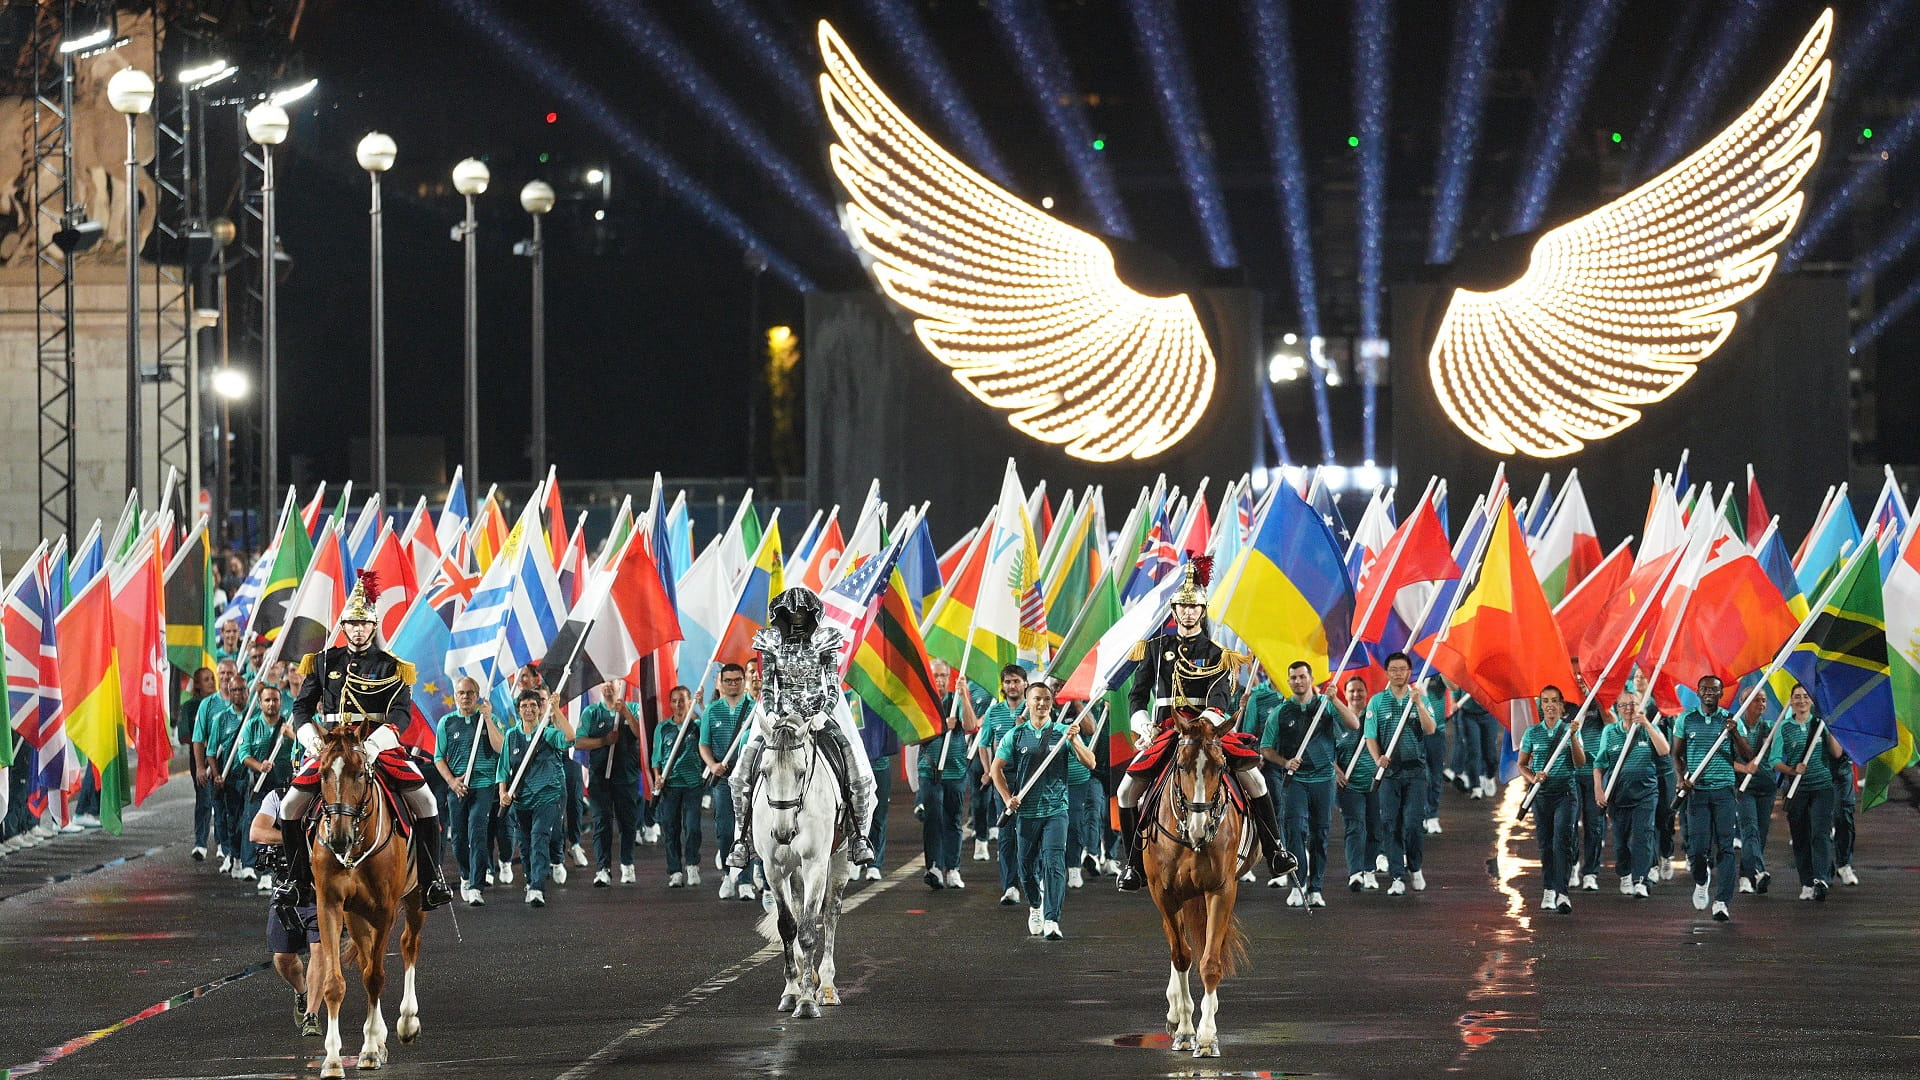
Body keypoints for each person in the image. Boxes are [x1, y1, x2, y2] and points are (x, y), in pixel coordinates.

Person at [273, 574, 455, 928]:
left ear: (373, 626)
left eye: (364, 624)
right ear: (343, 625)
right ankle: (295, 879)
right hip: (329, 748)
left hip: (376, 747)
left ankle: (432, 880)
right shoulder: (323, 662)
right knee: (290, 805)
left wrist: (376, 743)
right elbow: (301, 708)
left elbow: (401, 713)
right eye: (352, 624)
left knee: (428, 802)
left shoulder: (392, 666)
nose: (358, 630)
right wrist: (310, 737)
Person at [1114, 557, 1293, 892]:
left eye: (1193, 608)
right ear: (1174, 609)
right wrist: (1143, 725)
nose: (1187, 613)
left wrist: (1203, 727)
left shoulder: (1217, 653)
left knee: (1254, 778)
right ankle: (1132, 864)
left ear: (1202, 611)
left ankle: (1274, 850)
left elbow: (1221, 698)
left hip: (1208, 732)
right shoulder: (1155, 649)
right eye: (1182, 607)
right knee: (1126, 791)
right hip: (1166, 731)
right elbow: (1137, 697)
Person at [727, 588, 879, 873]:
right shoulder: (771, 642)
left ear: (811, 614)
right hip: (779, 717)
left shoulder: (825, 641)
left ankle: (859, 837)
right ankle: (743, 839)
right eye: (792, 612)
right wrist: (771, 712)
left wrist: (823, 712)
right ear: (782, 614)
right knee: (739, 776)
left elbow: (832, 685)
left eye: (802, 612)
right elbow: (769, 685)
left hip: (817, 716)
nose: (797, 616)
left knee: (858, 773)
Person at [990, 682, 1096, 941]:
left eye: (1047, 699)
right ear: (1028, 702)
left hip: (1056, 809)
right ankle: (1035, 905)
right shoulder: (1015, 735)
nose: (1042, 704)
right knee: (1026, 868)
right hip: (1027, 812)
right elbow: (996, 769)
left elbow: (1090, 762)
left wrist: (1074, 739)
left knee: (1054, 862)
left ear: (1052, 703)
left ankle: (1052, 919)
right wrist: (1007, 798)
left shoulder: (1062, 732)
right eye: (1037, 699)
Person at [1263, 661, 1357, 907]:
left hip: (1324, 780)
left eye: (1302, 676)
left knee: (1320, 834)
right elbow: (1265, 748)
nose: (1298, 681)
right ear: (1289, 681)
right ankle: (1297, 885)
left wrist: (1335, 699)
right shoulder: (1281, 712)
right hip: (1295, 781)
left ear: (1311, 679)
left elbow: (1354, 724)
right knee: (1295, 832)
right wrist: (1285, 763)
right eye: (1293, 677)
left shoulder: (1325, 707)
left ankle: (1316, 888)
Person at [1672, 674, 1754, 922]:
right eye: (1704, 689)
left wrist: (1734, 734)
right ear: (1698, 692)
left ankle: (1722, 902)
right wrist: (1680, 778)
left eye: (1714, 690)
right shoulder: (1687, 719)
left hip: (1724, 790)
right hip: (1697, 791)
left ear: (1721, 694)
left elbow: (1747, 755)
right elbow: (1676, 754)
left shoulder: (1731, 720)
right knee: (1697, 849)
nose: (1709, 693)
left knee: (1726, 846)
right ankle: (1701, 879)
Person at [249, 788, 321, 1037]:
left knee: (319, 950)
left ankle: (312, 1014)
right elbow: (257, 832)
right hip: (287, 884)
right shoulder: (277, 796)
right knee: (282, 958)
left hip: (321, 887)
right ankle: (302, 992)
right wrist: (296, 839)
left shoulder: (330, 794)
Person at [1364, 653, 1438, 896]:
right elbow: (1370, 736)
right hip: (1390, 774)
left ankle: (1415, 867)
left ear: (1409, 672)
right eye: (1393, 669)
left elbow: (1431, 729)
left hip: (1415, 772)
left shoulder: (1419, 699)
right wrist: (1378, 760)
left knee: (1413, 824)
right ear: (1387, 673)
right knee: (1390, 824)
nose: (1398, 673)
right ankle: (1397, 875)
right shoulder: (1377, 702)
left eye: (1402, 669)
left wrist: (1417, 704)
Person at [496, 687, 578, 907]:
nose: (529, 709)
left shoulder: (548, 733)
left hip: (548, 796)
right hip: (522, 799)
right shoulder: (512, 736)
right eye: (524, 706)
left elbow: (570, 737)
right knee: (524, 843)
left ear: (540, 709)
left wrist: (556, 710)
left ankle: (537, 888)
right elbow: (503, 769)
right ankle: (531, 878)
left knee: (539, 835)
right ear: (518, 710)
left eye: (533, 705)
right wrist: (503, 793)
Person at [433, 677, 503, 905]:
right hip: (457, 788)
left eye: (470, 693)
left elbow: (501, 747)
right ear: (455, 696)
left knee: (478, 833)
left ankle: (476, 885)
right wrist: (452, 782)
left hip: (483, 785)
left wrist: (488, 719)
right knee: (459, 838)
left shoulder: (487, 720)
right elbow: (438, 758)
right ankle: (465, 875)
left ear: (477, 695)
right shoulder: (447, 722)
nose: (465, 697)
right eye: (461, 693)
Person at [1517, 685, 1586, 913]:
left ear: (1561, 705)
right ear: (1541, 706)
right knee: (1546, 843)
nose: (1550, 705)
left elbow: (1580, 762)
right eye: (1545, 701)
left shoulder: (1569, 730)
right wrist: (1533, 778)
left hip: (1566, 793)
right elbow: (1522, 764)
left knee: (1562, 841)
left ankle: (1563, 893)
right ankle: (1548, 889)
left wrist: (1573, 737)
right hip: (1542, 796)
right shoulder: (1532, 733)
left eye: (1554, 701)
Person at [1592, 694, 1669, 897]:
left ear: (1640, 707)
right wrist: (1598, 789)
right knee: (1621, 842)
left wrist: (1647, 725)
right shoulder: (1610, 731)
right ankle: (1625, 873)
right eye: (1624, 705)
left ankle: (1641, 880)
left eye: (1633, 704)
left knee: (1643, 836)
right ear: (1617, 709)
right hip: (1618, 796)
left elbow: (1664, 750)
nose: (1629, 709)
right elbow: (1599, 765)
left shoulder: (1647, 729)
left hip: (1646, 793)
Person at [1774, 683, 1844, 901]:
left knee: (1820, 833)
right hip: (1797, 790)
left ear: (1812, 701)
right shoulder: (1784, 728)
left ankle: (1821, 878)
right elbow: (1774, 760)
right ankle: (1806, 881)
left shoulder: (1820, 725)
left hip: (1822, 787)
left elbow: (1836, 752)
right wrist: (1792, 771)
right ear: (1791, 701)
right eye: (1797, 697)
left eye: (1805, 696)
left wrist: (1829, 728)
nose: (1801, 700)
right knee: (1800, 835)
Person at [917, 659, 980, 890]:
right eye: (936, 675)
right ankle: (933, 866)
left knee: (953, 820)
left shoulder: (955, 701)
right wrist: (942, 726)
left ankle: (953, 868)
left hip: (955, 770)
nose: (940, 680)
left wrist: (963, 695)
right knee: (933, 818)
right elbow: (914, 737)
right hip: (930, 770)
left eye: (944, 675)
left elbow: (972, 726)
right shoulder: (923, 701)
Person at [576, 678, 645, 889]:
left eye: (612, 681)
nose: (607, 685)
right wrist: (603, 741)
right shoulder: (591, 713)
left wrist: (624, 713)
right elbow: (578, 742)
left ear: (619, 685)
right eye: (603, 682)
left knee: (627, 823)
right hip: (600, 779)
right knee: (602, 822)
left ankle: (627, 864)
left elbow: (640, 735)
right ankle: (603, 869)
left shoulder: (632, 708)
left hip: (627, 777)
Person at [700, 664, 756, 897]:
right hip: (723, 779)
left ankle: (745, 880)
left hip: (749, 779)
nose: (733, 684)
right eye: (728, 680)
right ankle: (727, 875)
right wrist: (712, 765)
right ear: (721, 683)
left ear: (744, 681)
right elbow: (703, 744)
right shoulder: (711, 711)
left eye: (737, 680)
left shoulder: (755, 709)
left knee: (747, 830)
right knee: (724, 829)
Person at [975, 665, 1030, 903]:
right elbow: (984, 742)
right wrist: (988, 771)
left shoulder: (1035, 709)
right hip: (1004, 778)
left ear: (1025, 684)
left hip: (1030, 777)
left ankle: (1033, 879)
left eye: (1016, 681)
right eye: (1008, 682)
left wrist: (1024, 726)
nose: (1012, 686)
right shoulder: (994, 712)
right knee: (1007, 833)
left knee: (1030, 831)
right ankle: (1010, 886)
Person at [238, 685, 298, 892]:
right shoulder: (252, 726)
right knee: (254, 825)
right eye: (267, 700)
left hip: (283, 787)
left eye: (275, 700)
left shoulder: (289, 726)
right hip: (260, 785)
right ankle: (252, 866)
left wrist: (293, 737)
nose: (271, 704)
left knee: (281, 828)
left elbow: (306, 751)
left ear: (281, 702)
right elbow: (243, 754)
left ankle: (273, 872)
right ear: (261, 703)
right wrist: (259, 766)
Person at [194, 661, 250, 877]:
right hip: (215, 768)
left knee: (241, 815)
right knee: (220, 811)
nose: (226, 677)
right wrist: (202, 767)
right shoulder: (208, 705)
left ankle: (237, 855)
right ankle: (226, 851)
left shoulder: (250, 703)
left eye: (230, 673)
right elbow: (199, 739)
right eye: (223, 673)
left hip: (242, 772)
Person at [652, 686, 704, 887]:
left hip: (693, 784)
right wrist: (657, 777)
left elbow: (707, 742)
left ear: (688, 701)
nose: (678, 705)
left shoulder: (697, 726)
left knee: (692, 827)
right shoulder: (663, 728)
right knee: (670, 828)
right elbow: (656, 758)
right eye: (674, 700)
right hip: (670, 784)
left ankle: (692, 865)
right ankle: (674, 871)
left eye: (682, 700)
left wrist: (699, 706)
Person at [1335, 675, 1383, 891]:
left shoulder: (1375, 719)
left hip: (1374, 783)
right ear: (1345, 695)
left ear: (1366, 694)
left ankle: (1369, 870)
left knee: (1374, 828)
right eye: (1352, 691)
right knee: (1355, 826)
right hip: (1348, 785)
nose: (1356, 695)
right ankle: (1355, 872)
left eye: (1360, 691)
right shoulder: (1337, 721)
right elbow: (1327, 750)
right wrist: (1336, 771)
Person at [1732, 689, 1781, 894]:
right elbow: (1725, 759)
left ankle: (1746, 875)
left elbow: (1776, 757)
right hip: (1744, 787)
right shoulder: (1733, 728)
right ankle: (1759, 871)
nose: (1760, 704)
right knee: (1749, 829)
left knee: (1761, 832)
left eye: (1763, 700)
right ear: (1744, 703)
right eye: (1755, 700)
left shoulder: (1770, 728)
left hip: (1766, 786)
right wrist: (1743, 768)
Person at [177, 666, 217, 860]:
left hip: (221, 758)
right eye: (206, 679)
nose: (211, 682)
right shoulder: (190, 706)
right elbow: (184, 734)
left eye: (213, 678)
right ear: (198, 684)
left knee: (222, 801)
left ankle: (224, 845)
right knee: (204, 799)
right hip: (199, 759)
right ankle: (200, 843)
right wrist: (201, 739)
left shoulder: (220, 703)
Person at [1572, 693, 1611, 891]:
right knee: (1569, 823)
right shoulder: (1564, 701)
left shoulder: (1599, 699)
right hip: (1569, 771)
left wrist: (1598, 700)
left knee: (1594, 823)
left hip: (1595, 772)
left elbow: (1612, 723)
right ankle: (1572, 864)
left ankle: (1590, 872)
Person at [1420, 675, 1450, 834]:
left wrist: (1443, 669)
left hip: (1437, 731)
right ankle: (1422, 814)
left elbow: (1454, 687)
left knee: (1435, 773)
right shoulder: (1410, 666)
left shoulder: (1438, 669)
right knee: (1422, 774)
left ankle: (1432, 815)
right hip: (1415, 731)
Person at [1831, 745, 1859, 885]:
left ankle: (1844, 864)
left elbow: (1837, 752)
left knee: (1844, 816)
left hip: (1841, 771)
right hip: (1814, 769)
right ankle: (1822, 868)